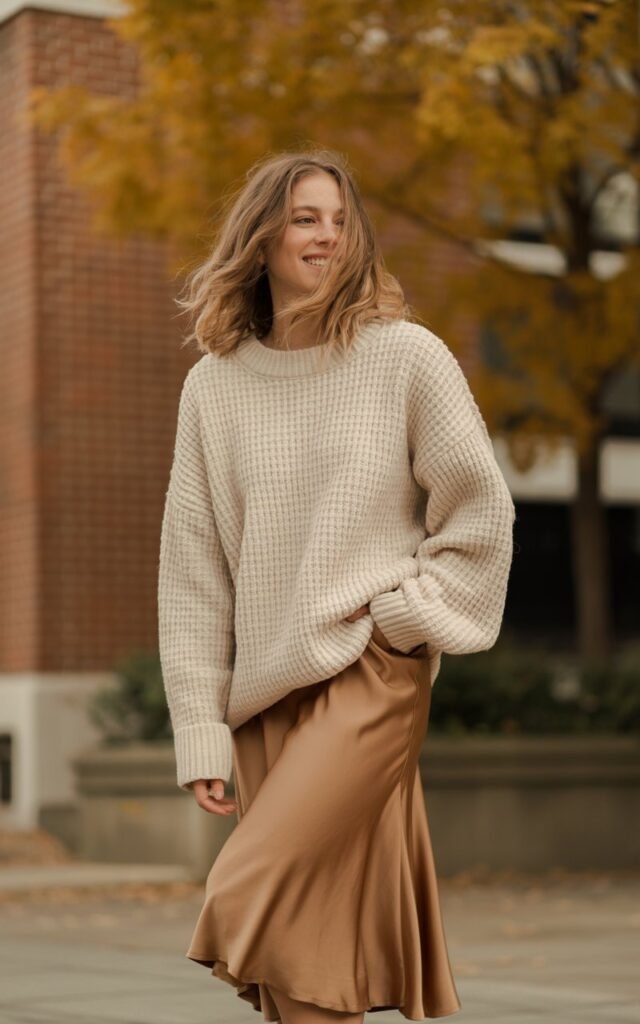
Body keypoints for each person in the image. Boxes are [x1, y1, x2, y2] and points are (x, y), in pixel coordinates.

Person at [157, 147, 516, 1024]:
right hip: (267, 697)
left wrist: (405, 622)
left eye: (341, 219)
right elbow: (194, 570)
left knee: (248, 894)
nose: (326, 236)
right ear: (262, 235)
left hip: (367, 672)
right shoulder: (214, 385)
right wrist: (201, 730)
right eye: (305, 216)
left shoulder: (405, 357)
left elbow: (482, 511)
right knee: (305, 959)